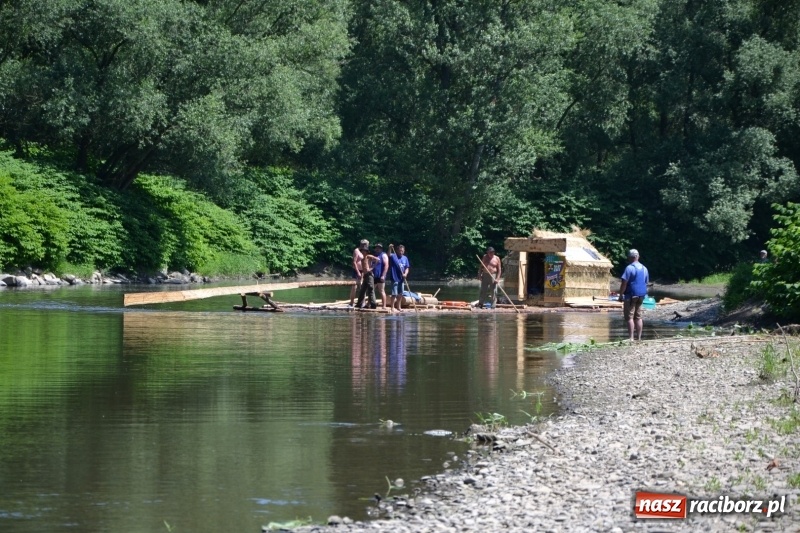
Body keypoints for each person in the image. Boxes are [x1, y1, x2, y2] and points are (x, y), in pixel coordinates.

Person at [618, 249, 650, 341]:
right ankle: (639, 338)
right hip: (641, 296)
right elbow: (646, 282)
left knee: (629, 317)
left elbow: (624, 283)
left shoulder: (629, 268)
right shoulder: (645, 268)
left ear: (630, 257)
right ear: (638, 257)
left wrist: (621, 295)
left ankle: (631, 338)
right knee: (638, 317)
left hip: (630, 296)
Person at [388, 244, 410, 312]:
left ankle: (399, 307)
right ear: (397, 250)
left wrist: (405, 274)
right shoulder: (393, 256)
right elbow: (388, 254)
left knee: (400, 294)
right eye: (400, 250)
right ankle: (392, 307)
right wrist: (390, 248)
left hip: (402, 279)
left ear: (404, 251)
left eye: (402, 251)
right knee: (394, 293)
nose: (401, 252)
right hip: (394, 277)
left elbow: (407, 268)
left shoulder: (405, 258)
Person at [349, 239, 369, 307]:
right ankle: (351, 303)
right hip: (356, 270)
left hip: (362, 271)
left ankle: (363, 302)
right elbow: (354, 262)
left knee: (363, 287)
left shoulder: (364, 251)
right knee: (354, 286)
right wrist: (358, 272)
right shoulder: (356, 250)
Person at [372, 243, 389, 309]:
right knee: (371, 290)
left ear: (381, 248)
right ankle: (371, 303)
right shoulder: (373, 255)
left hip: (380, 276)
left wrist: (383, 275)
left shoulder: (383, 255)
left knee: (381, 290)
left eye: (379, 248)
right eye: (376, 247)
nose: (377, 249)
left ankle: (384, 305)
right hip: (373, 276)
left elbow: (386, 265)